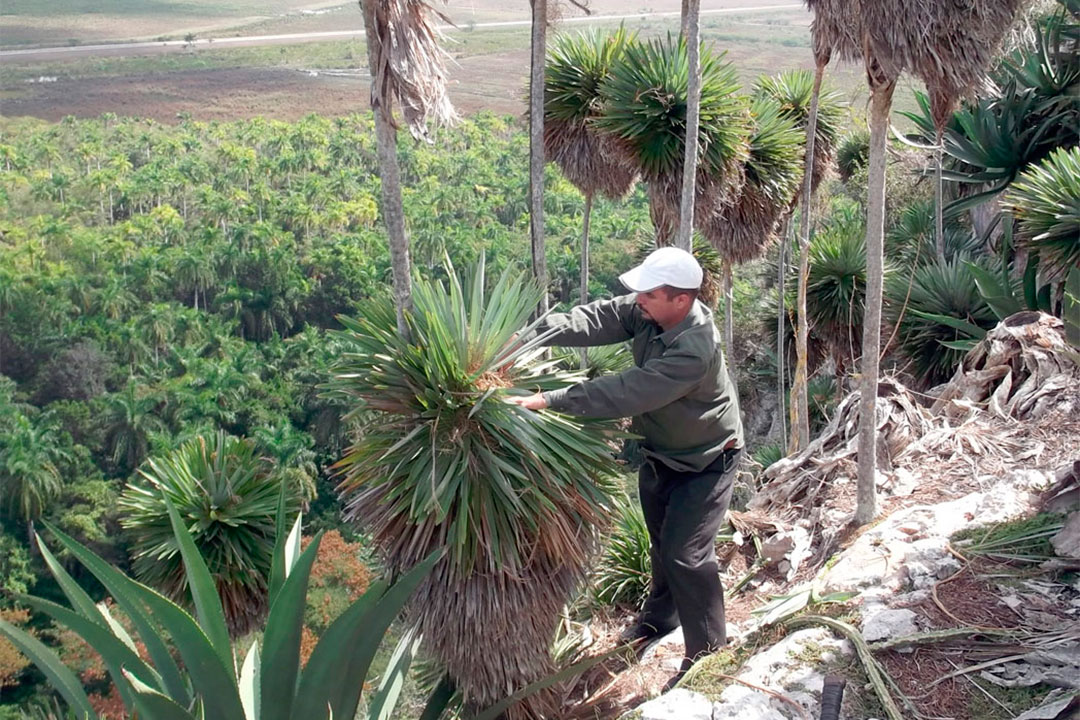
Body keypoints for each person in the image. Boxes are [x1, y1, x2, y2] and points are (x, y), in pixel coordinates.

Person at [507, 246, 745, 689]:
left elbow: (628, 391)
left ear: (681, 299)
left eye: (649, 294)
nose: (638, 301)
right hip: (660, 451)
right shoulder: (651, 312)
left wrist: (549, 400)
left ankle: (709, 655)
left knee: (687, 554)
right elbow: (596, 319)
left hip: (707, 459)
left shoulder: (694, 348)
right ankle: (660, 620)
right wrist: (529, 335)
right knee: (661, 544)